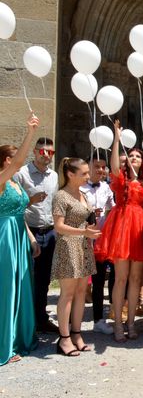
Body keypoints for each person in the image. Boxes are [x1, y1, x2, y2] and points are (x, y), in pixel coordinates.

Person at [94, 119, 143, 342]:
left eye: (138, 156)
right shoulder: (121, 179)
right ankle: (117, 322)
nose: (135, 158)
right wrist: (116, 139)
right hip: (122, 228)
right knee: (121, 278)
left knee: (136, 279)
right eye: (132, 156)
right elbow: (115, 166)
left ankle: (130, 323)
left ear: (142, 161)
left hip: (139, 229)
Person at [0, 115, 41, 365]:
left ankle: (18, 338)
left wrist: (31, 237)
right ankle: (5, 344)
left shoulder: (14, 183)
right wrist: (30, 133)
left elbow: (20, 213)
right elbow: (18, 164)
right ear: (6, 161)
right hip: (4, 237)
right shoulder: (2, 181)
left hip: (18, 234)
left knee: (21, 287)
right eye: (14, 159)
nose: (18, 163)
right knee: (6, 289)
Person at [51, 158, 101, 356]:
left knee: (81, 293)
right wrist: (84, 233)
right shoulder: (61, 196)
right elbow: (59, 226)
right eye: (84, 173)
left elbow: (81, 219)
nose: (88, 176)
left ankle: (76, 334)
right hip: (68, 247)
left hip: (83, 246)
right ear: (70, 174)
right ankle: (64, 339)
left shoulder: (82, 194)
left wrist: (89, 226)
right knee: (68, 294)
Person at [14, 135, 59, 333]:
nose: (47, 155)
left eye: (51, 152)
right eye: (43, 151)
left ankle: (41, 318)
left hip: (49, 232)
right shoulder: (22, 174)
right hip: (28, 230)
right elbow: (15, 206)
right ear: (34, 152)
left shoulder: (54, 176)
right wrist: (30, 200)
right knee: (26, 279)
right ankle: (24, 323)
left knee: (44, 280)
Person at [81, 156, 115, 335]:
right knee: (79, 282)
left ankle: (98, 319)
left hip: (100, 241)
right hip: (81, 239)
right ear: (89, 167)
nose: (101, 170)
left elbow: (113, 207)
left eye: (103, 167)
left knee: (99, 280)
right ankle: (73, 321)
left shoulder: (106, 187)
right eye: (97, 167)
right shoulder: (79, 187)